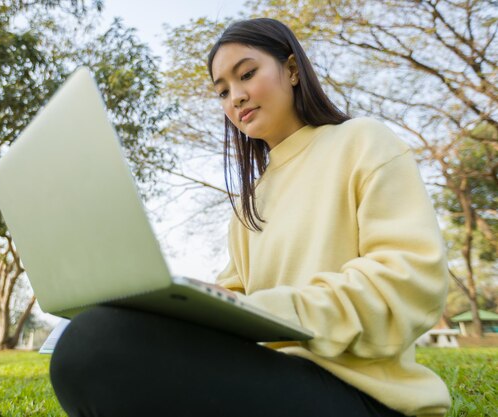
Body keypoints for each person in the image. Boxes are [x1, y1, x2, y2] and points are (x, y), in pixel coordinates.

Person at [49, 18, 450, 417]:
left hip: (367, 397)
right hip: (278, 379)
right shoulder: (249, 205)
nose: (235, 97)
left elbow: (408, 280)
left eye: (247, 75)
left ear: (292, 70)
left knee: (94, 343)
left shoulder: (362, 141)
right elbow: (237, 299)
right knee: (101, 335)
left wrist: (277, 312)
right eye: (222, 91)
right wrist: (180, 299)